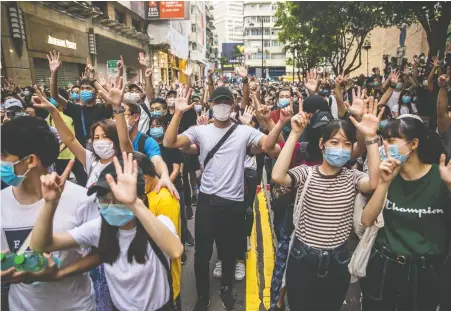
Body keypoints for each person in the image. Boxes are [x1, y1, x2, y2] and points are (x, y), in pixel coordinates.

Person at [29, 152, 184, 311]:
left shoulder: (158, 225)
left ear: (140, 198)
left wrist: (134, 204)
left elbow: (175, 250)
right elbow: (41, 245)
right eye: (104, 200)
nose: (110, 206)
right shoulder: (99, 228)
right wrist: (49, 203)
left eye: (117, 201)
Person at [164, 86, 270, 310]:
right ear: (211, 105)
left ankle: (226, 288)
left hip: (233, 204)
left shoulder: (244, 132)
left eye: (227, 102)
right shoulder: (200, 131)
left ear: (233, 105)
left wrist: (270, 122)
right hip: (207, 202)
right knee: (202, 254)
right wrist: (178, 113)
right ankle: (203, 296)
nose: (222, 106)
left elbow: (270, 147)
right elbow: (169, 142)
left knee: (229, 251)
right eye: (218, 102)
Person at [271, 97, 382, 310]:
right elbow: (277, 175)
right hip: (303, 257)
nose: (341, 148)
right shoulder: (306, 173)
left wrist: (370, 138)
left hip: (338, 260)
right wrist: (294, 133)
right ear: (322, 145)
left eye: (347, 144)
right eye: (334, 142)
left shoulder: (353, 177)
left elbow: (375, 181)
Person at [1, 116, 98, 311]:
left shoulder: (80, 199)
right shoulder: (2, 201)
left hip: (75, 305)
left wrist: (61, 273)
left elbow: (103, 250)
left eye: (3, 156)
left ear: (30, 160)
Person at [361, 117, 450, 311]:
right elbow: (367, 220)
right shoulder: (389, 174)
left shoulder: (441, 177)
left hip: (426, 270)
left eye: (391, 141)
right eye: (383, 140)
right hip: (385, 265)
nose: (385, 146)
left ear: (414, 144)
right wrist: (384, 183)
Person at [49, 51, 112, 186]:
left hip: (101, 155)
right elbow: (55, 96)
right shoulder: (76, 109)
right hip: (81, 158)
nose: (84, 90)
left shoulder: (102, 108)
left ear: (95, 91)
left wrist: (94, 80)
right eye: (82, 88)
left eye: (88, 88)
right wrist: (54, 73)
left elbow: (111, 100)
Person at [133, 151, 183, 310]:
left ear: (144, 179)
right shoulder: (144, 194)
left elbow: (169, 249)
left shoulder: (165, 199)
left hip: (164, 284)